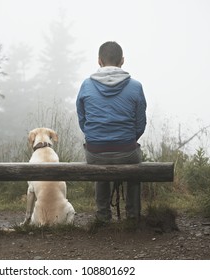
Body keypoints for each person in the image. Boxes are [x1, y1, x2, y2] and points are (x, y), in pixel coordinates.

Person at [76, 41, 147, 223]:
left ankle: (102, 216)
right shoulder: (136, 87)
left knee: (100, 159)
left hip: (95, 152)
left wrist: (98, 138)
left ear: (99, 61)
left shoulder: (86, 85)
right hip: (127, 151)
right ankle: (132, 216)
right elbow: (140, 124)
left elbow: (83, 120)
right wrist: (126, 139)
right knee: (134, 166)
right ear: (122, 60)